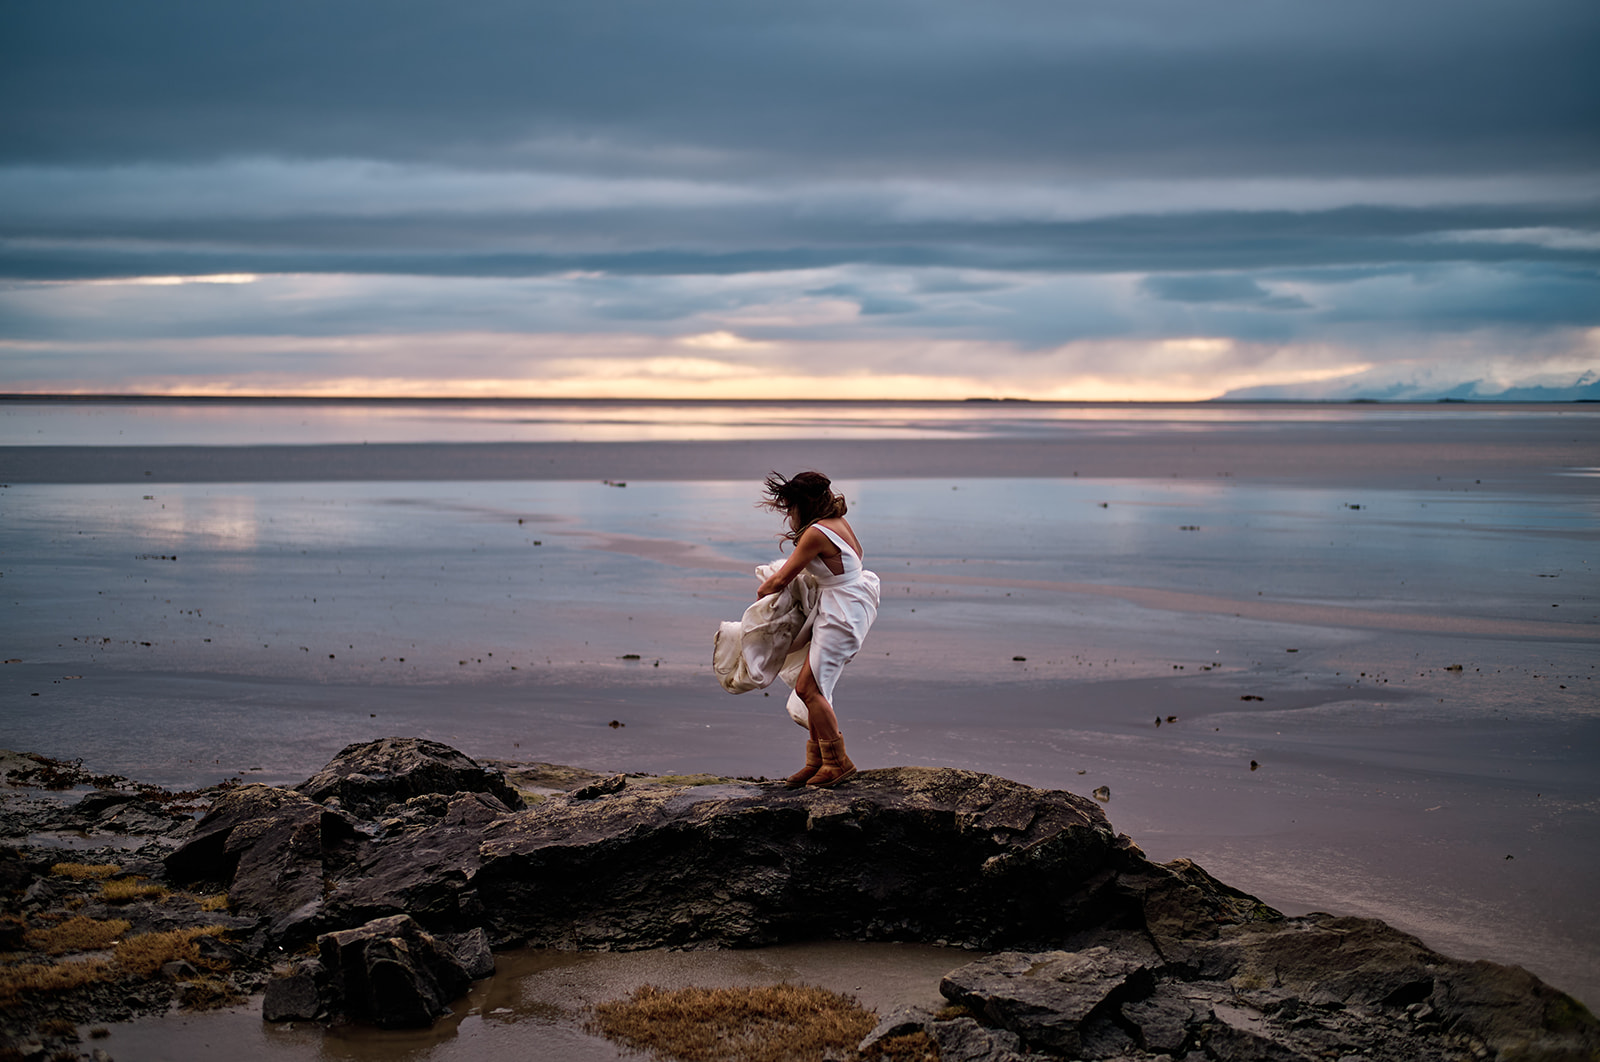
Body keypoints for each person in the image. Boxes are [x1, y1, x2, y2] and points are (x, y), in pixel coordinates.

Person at [755, 470, 880, 788]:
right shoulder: (838, 523)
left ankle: (838, 763)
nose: (788, 515)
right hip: (847, 603)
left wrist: (761, 598)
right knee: (811, 685)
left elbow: (781, 578)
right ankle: (816, 762)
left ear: (802, 504)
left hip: (841, 611)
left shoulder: (815, 533)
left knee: (809, 689)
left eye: (789, 507)